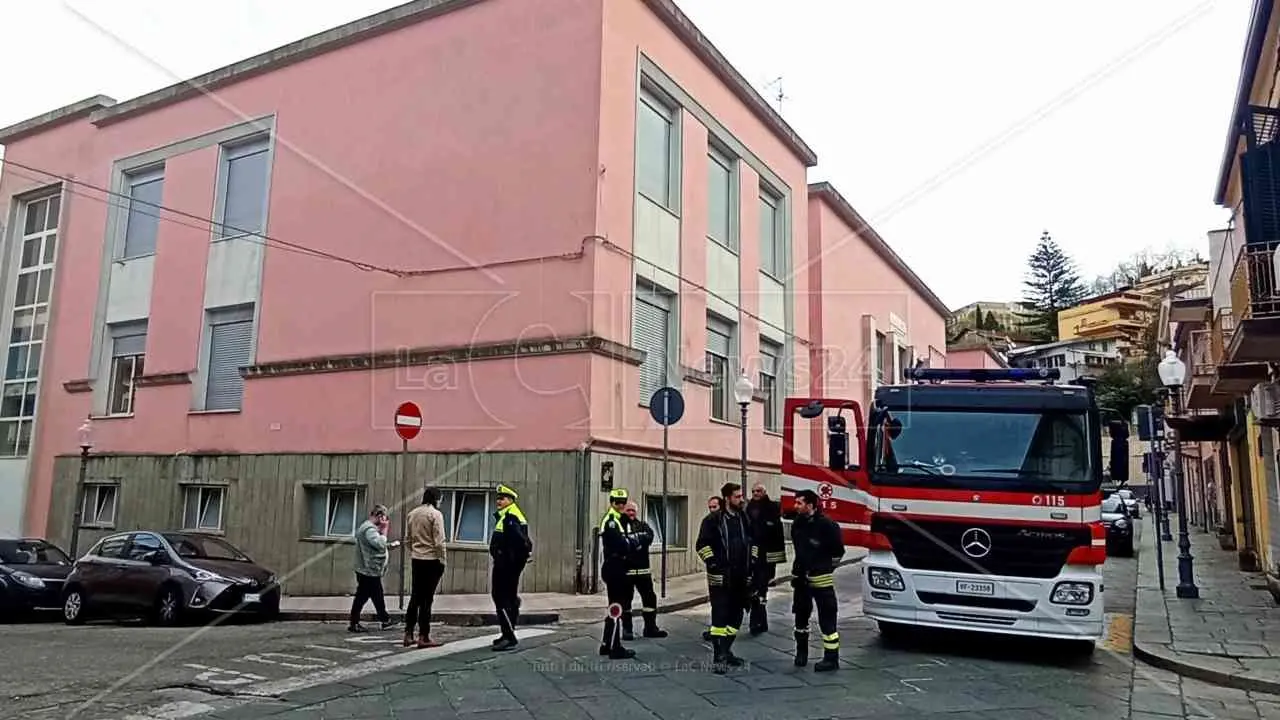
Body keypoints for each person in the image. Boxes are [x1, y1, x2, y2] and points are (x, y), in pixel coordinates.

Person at [695, 482, 755, 673]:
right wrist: (712, 562)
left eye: (741, 496)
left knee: (737, 614)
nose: (741, 499)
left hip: (741, 576)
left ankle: (727, 649)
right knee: (720, 616)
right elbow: (701, 545)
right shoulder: (713, 520)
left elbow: (753, 541)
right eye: (737, 496)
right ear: (728, 498)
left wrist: (752, 563)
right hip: (721, 576)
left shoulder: (744, 518)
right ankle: (718, 656)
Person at [790, 489, 844, 672]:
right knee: (800, 616)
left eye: (799, 503)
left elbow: (838, 553)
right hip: (801, 578)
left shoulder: (827, 525)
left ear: (811, 505)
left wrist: (825, 568)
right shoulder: (797, 523)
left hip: (821, 579)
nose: (795, 506)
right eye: (795, 502)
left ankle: (831, 658)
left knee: (827, 618)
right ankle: (801, 653)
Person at [489, 484, 532, 651]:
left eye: (503, 498)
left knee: (500, 597)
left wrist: (505, 558)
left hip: (505, 565)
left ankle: (509, 636)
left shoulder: (510, 517)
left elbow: (522, 541)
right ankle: (508, 631)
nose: (499, 501)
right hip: (509, 564)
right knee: (508, 596)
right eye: (498, 498)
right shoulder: (509, 514)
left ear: (511, 500)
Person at [404, 487, 447, 648]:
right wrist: (442, 559)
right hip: (431, 560)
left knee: (415, 596)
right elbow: (439, 541)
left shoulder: (412, 514)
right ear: (436, 498)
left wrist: (416, 550)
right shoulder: (435, 515)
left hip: (417, 558)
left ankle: (408, 633)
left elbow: (407, 539)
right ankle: (424, 636)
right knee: (427, 599)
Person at [598, 488, 638, 659]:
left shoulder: (618, 519)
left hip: (614, 565)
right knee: (617, 607)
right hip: (614, 566)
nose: (621, 505)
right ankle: (615, 647)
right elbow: (621, 544)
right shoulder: (612, 521)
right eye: (617, 503)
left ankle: (606, 643)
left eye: (623, 502)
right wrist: (634, 540)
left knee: (614, 606)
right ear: (612, 503)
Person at [350, 504, 401, 633]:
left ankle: (383, 620)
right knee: (367, 596)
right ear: (379, 516)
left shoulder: (368, 528)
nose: (385, 521)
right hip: (369, 570)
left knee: (372, 596)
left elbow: (374, 546)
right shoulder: (370, 530)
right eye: (384, 518)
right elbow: (379, 544)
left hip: (368, 569)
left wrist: (390, 545)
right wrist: (385, 530)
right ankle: (381, 621)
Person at [622, 500, 668, 640]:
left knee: (650, 599)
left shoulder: (643, 525)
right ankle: (627, 630)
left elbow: (649, 537)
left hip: (643, 572)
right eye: (628, 510)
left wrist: (634, 539)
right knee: (625, 602)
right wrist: (636, 540)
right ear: (624, 511)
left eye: (633, 511)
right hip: (626, 573)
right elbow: (620, 543)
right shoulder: (619, 526)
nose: (631, 513)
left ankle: (650, 628)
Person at [745, 483, 786, 635]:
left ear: (765, 492)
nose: (756, 493)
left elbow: (777, 536)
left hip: (765, 559)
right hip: (750, 558)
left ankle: (757, 622)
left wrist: (772, 568)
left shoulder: (772, 508)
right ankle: (760, 622)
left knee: (760, 592)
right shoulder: (748, 508)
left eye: (759, 491)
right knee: (751, 591)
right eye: (753, 491)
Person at [700, 496, 724, 641]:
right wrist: (711, 561)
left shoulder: (730, 520)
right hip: (716, 571)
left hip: (731, 570)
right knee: (717, 602)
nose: (712, 510)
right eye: (710, 507)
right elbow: (701, 544)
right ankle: (716, 631)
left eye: (715, 507)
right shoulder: (708, 521)